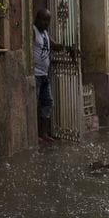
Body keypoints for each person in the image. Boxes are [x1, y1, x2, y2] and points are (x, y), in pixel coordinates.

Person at [33, 8, 66, 143]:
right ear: (37, 19)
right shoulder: (33, 31)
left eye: (48, 20)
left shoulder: (45, 33)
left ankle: (44, 134)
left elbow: (55, 46)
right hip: (35, 74)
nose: (46, 23)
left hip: (45, 74)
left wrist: (66, 46)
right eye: (43, 19)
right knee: (35, 104)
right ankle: (35, 134)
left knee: (47, 103)